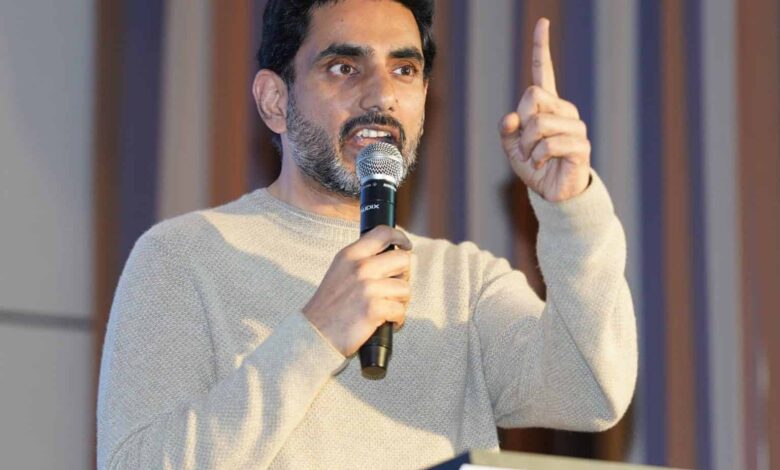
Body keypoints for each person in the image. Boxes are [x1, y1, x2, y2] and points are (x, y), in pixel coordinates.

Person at [96, 0, 637, 468]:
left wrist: (572, 210)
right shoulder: (183, 256)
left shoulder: (466, 282)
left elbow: (589, 392)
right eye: (343, 67)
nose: (381, 97)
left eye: (404, 70)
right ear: (275, 101)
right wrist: (316, 333)